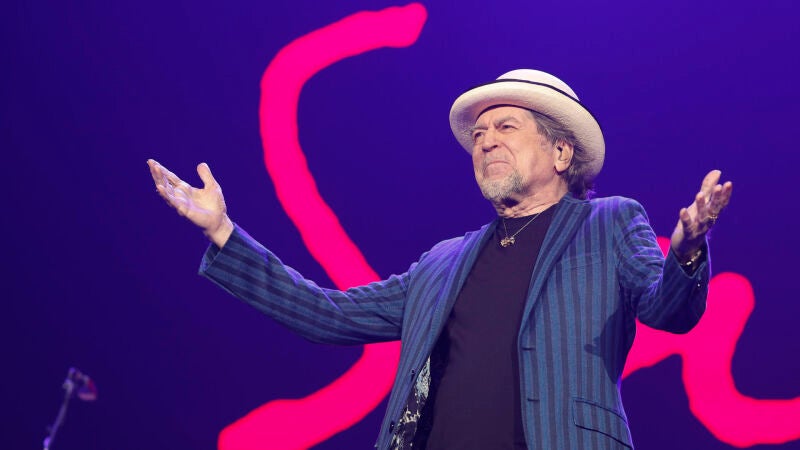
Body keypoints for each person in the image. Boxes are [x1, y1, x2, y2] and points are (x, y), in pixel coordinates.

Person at [147, 69, 732, 450]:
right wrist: (223, 231)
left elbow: (668, 311)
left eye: (506, 126)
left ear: (560, 151)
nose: (486, 140)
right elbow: (327, 314)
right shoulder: (442, 262)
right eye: (479, 134)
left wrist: (686, 249)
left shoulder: (608, 223)